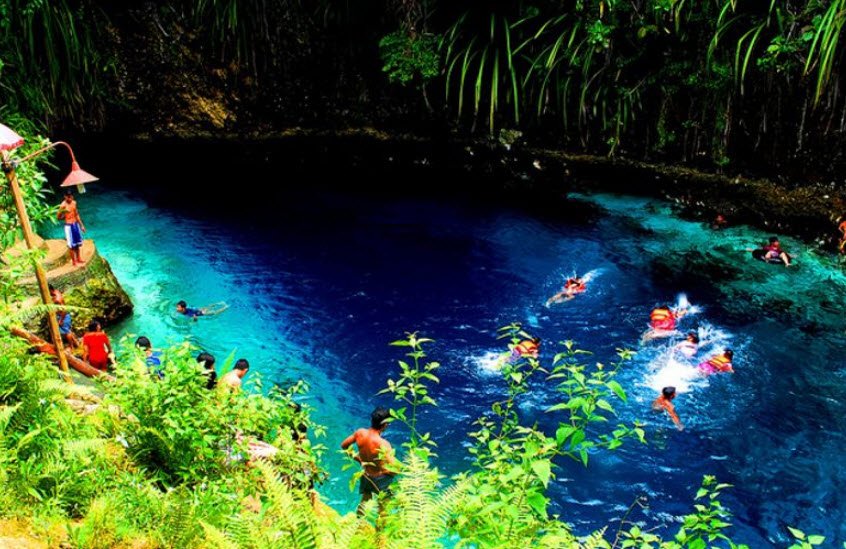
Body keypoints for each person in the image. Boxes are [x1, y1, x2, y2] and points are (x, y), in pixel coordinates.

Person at [340, 407, 397, 516]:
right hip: (381, 478)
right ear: (385, 425)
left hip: (366, 474)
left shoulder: (360, 433)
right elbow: (394, 468)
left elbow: (344, 446)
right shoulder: (383, 444)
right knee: (383, 507)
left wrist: (359, 460)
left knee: (365, 501)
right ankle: (380, 531)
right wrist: (388, 472)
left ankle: (357, 525)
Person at [57, 191, 85, 266]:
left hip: (75, 224)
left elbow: (77, 214)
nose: (70, 198)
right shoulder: (63, 205)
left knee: (78, 243)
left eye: (71, 196)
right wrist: (65, 216)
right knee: (71, 245)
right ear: (65, 197)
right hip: (68, 226)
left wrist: (81, 225)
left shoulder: (74, 203)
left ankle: (79, 258)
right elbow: (58, 217)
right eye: (68, 197)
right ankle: (74, 261)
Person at [49, 284, 79, 349]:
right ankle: (76, 343)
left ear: (50, 290)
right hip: (60, 316)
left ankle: (71, 346)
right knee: (68, 330)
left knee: (67, 332)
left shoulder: (57, 299)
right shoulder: (56, 292)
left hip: (63, 316)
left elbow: (64, 310)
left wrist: (61, 320)